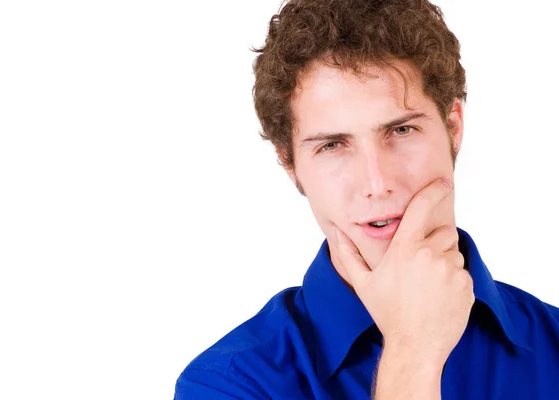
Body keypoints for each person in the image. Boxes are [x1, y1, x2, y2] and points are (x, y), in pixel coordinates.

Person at [174, 0, 559, 398]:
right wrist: (412, 350)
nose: (377, 182)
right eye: (332, 145)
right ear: (290, 163)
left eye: (402, 130)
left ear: (453, 127)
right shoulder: (227, 384)